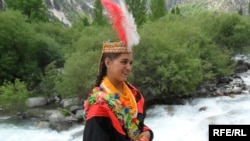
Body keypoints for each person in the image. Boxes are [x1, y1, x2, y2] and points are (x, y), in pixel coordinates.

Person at [82, 0, 154, 141]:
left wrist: (147, 134)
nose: (129, 67)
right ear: (108, 62)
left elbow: (138, 126)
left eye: (130, 62)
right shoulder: (99, 107)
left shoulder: (134, 94)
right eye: (124, 62)